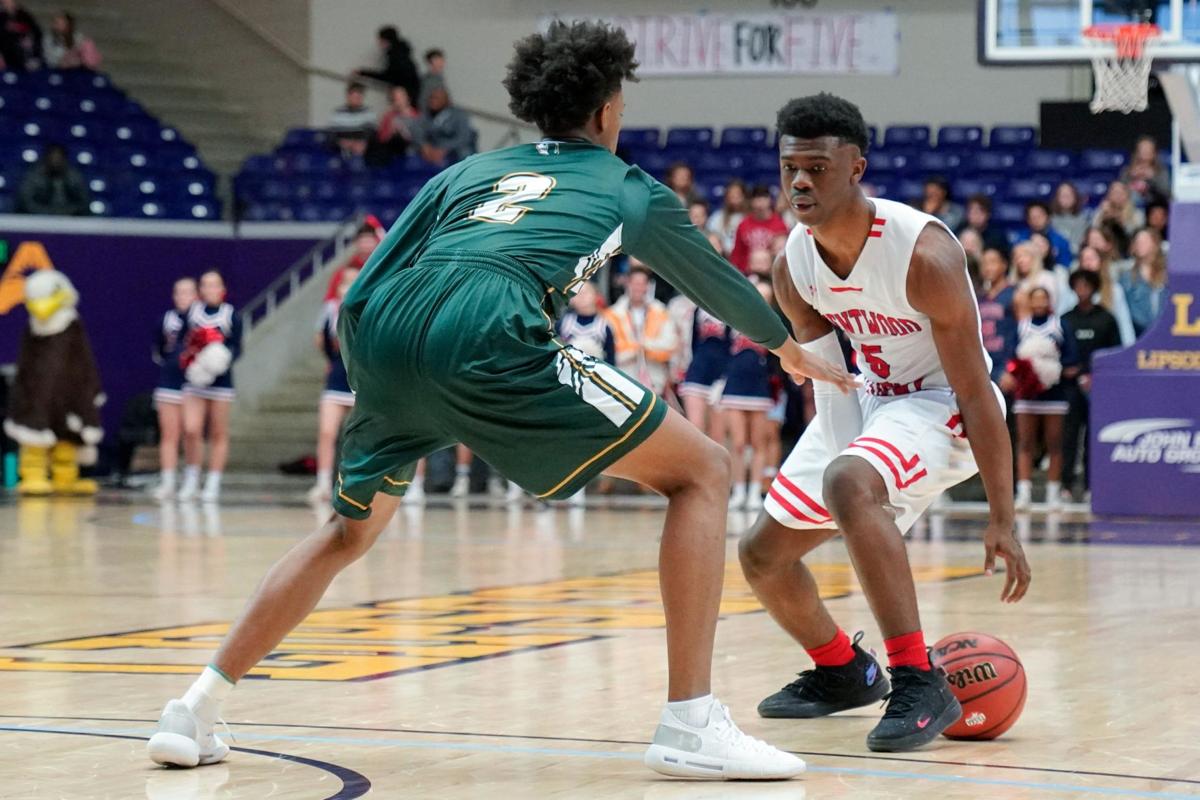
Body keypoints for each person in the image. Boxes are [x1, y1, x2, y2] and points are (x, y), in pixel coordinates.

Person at [147, 20, 854, 781]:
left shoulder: (465, 173)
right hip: (488, 330)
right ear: (609, 111)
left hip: (384, 335)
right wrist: (787, 344)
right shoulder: (627, 187)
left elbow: (369, 280)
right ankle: (690, 722)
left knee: (346, 536)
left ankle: (193, 708)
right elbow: (712, 283)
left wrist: (381, 383)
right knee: (703, 469)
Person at [737, 92, 1030, 754]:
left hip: (941, 404)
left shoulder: (922, 255)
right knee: (762, 557)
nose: (801, 182)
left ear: (856, 167)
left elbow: (977, 391)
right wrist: (853, 482)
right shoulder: (795, 265)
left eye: (817, 166)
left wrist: (1003, 517)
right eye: (790, 169)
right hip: (870, 398)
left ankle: (918, 678)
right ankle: (844, 669)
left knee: (849, 481)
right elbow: (832, 381)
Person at [1011, 286, 1079, 511]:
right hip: (1027, 393)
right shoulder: (1021, 326)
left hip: (1054, 392)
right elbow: (1012, 356)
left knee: (1054, 443)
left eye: (1044, 298)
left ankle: (1053, 493)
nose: (1039, 302)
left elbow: (1072, 356)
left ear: (1050, 301)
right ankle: (1024, 493)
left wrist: (1051, 368)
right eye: (1035, 299)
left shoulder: (1060, 325)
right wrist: (1024, 371)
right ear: (1029, 302)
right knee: (1025, 443)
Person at [177, 270, 241, 502]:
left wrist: (219, 360)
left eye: (215, 285)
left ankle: (213, 482)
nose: (210, 289)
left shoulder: (230, 315)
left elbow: (237, 347)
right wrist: (191, 362)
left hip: (221, 382)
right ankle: (192, 477)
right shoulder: (192, 313)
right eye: (205, 285)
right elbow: (182, 343)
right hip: (195, 381)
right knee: (192, 429)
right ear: (200, 289)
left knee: (218, 432)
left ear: (222, 289)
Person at [1061, 270, 1121, 501]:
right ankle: (1065, 485)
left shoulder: (1106, 318)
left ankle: (1090, 485)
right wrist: (1067, 369)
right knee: (1069, 436)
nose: (1082, 290)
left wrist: (1095, 375)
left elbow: (1114, 351)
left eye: (1087, 285)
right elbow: (1058, 349)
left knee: (1092, 436)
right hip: (1070, 385)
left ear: (1095, 288)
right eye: (1078, 285)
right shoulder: (1066, 318)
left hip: (1098, 386)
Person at [722, 279, 778, 510]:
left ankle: (755, 492)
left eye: (766, 296)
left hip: (759, 385)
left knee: (758, 443)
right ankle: (738, 491)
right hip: (735, 384)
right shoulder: (734, 316)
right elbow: (722, 348)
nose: (761, 298)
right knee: (737, 443)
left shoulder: (774, 323)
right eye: (758, 294)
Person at [308, 267, 360, 504]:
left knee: (360, 435)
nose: (347, 286)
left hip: (360, 381)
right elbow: (321, 341)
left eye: (353, 281)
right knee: (327, 432)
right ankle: (322, 483)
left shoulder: (368, 307)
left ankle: (359, 483)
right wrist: (332, 359)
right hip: (336, 380)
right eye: (344, 282)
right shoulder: (330, 310)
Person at [150, 278, 198, 501]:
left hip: (193, 384)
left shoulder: (201, 320)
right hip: (169, 381)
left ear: (196, 295)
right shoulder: (166, 320)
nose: (183, 297)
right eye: (179, 292)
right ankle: (168, 480)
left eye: (188, 292)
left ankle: (191, 480)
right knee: (169, 434)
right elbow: (159, 351)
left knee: (191, 432)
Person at [605, 264, 678, 398]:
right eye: (634, 283)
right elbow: (612, 349)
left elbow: (670, 346)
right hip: (623, 380)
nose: (638, 287)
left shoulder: (660, 312)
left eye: (642, 283)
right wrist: (640, 348)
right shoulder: (612, 314)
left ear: (648, 286)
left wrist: (644, 346)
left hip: (655, 380)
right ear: (627, 284)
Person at [678, 306, 729, 444]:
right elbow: (692, 343)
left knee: (717, 437)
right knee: (696, 432)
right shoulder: (698, 309)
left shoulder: (730, 308)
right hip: (697, 373)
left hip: (721, 378)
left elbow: (732, 346)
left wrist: (726, 378)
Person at [1067, 245, 1135, 345]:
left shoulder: (1115, 289)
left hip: (1106, 344)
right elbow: (1062, 319)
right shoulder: (1071, 290)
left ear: (1100, 262)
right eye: (1085, 259)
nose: (1088, 263)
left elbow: (1124, 323)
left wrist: (1129, 349)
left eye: (1092, 258)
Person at [15, 144, 90, 216]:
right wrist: (44, 213)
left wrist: (67, 213)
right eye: (52, 158)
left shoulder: (75, 178)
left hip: (71, 220)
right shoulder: (34, 177)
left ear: (64, 160)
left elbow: (83, 201)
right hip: (37, 219)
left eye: (58, 158)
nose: (55, 162)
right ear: (46, 159)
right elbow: (26, 201)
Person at [730, 185, 789, 274]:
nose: (760, 203)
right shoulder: (743, 225)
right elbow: (737, 253)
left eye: (763, 199)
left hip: (772, 272)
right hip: (747, 273)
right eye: (757, 199)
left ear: (769, 200)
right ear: (751, 202)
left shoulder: (780, 224)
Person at [1121, 227, 1168, 337]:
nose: (1140, 245)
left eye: (1144, 241)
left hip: (1166, 332)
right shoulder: (1127, 278)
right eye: (1138, 242)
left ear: (1155, 244)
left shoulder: (1168, 276)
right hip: (1139, 333)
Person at [355, 25, 420, 104]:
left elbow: (388, 76)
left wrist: (363, 73)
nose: (379, 43)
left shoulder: (395, 56)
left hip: (406, 96)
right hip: (411, 93)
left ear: (386, 40)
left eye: (380, 40)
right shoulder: (402, 54)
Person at [415, 87, 476, 164]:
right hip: (434, 148)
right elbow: (419, 131)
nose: (432, 101)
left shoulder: (458, 115)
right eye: (431, 98)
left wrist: (445, 149)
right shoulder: (427, 115)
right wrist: (425, 146)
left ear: (445, 100)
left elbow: (464, 137)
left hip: (454, 149)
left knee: (465, 153)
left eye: (436, 98)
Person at [1014, 201, 1071, 268]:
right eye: (1033, 217)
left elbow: (1065, 266)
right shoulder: (1021, 240)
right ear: (1028, 220)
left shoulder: (1061, 240)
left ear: (1048, 217)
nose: (1036, 220)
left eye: (1039, 216)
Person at [1011, 240, 1059, 317]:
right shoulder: (1013, 282)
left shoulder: (1047, 278)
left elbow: (1052, 304)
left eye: (1025, 256)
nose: (1020, 261)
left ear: (1034, 258)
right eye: (1017, 258)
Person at [328, 82, 375, 158]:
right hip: (341, 150)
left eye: (359, 97)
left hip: (362, 152)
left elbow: (371, 134)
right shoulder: (338, 113)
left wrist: (363, 143)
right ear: (348, 97)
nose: (356, 100)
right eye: (354, 97)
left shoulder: (368, 112)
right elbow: (331, 135)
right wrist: (341, 143)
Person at [1119, 135, 1170, 204]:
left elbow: (1166, 194)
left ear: (1154, 153)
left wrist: (1152, 178)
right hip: (1132, 209)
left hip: (1154, 207)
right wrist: (1131, 178)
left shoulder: (1161, 171)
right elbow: (1119, 191)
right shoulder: (1127, 171)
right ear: (1137, 152)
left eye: (1148, 148)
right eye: (1142, 148)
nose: (1145, 151)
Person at [373, 85, 420, 160]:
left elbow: (421, 140)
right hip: (391, 154)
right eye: (395, 98)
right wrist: (391, 131)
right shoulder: (388, 116)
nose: (398, 101)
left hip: (412, 154)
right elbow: (381, 139)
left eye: (400, 97)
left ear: (407, 98)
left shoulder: (417, 116)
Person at [707, 179, 747, 255]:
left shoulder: (750, 218)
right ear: (726, 197)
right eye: (731, 194)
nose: (734, 197)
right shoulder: (717, 217)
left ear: (744, 196)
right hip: (723, 257)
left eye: (738, 194)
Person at [1049, 182, 1088, 256]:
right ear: (1057, 198)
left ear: (1075, 197)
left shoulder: (1083, 219)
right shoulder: (1049, 219)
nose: (1066, 197)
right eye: (1063, 195)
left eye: (1069, 195)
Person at [0, 0, 41, 71]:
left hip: (25, 50)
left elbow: (37, 32)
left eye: (9, 2)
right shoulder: (1, 17)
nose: (8, 4)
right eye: (4, 3)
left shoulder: (24, 15)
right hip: (7, 52)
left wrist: (30, 40)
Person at [418, 48, 447, 113]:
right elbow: (423, 101)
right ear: (431, 62)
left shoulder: (440, 78)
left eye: (442, 60)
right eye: (437, 60)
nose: (441, 63)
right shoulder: (428, 81)